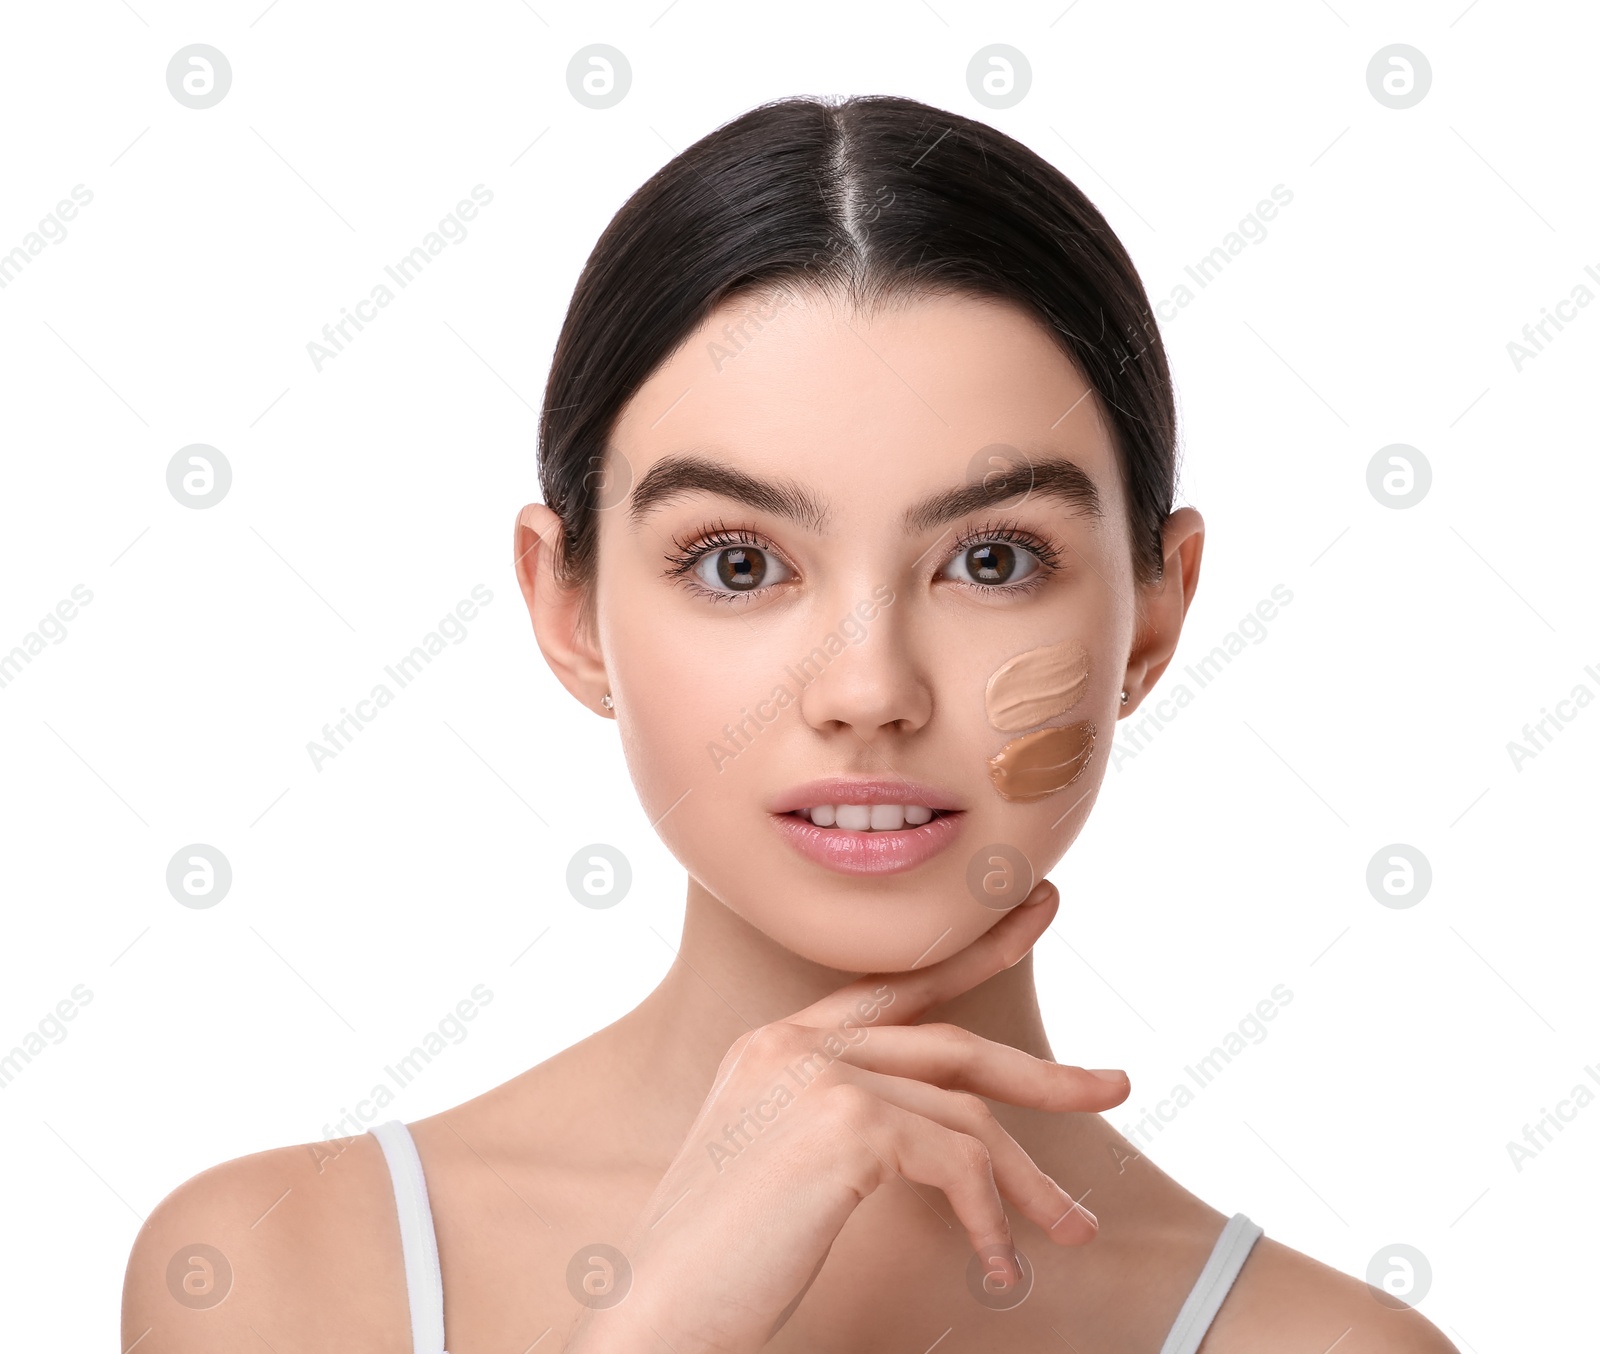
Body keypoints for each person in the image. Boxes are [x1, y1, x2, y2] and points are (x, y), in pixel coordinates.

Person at [123, 94, 1458, 1352]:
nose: (869, 687)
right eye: (739, 563)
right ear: (569, 607)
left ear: (1155, 616)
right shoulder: (281, 1273)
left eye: (991, 560)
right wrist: (664, 1318)